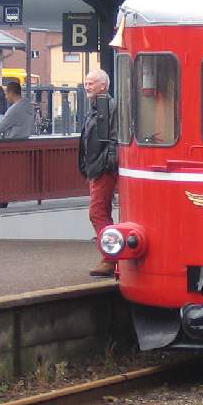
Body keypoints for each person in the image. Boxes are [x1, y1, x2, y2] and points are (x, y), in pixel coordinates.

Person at [78, 69, 119, 278]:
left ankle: (110, 257)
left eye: (91, 83)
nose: (87, 86)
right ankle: (111, 255)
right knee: (101, 211)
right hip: (96, 166)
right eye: (86, 83)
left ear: (104, 86)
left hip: (102, 167)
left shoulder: (107, 108)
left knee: (97, 212)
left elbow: (112, 138)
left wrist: (104, 163)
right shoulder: (99, 108)